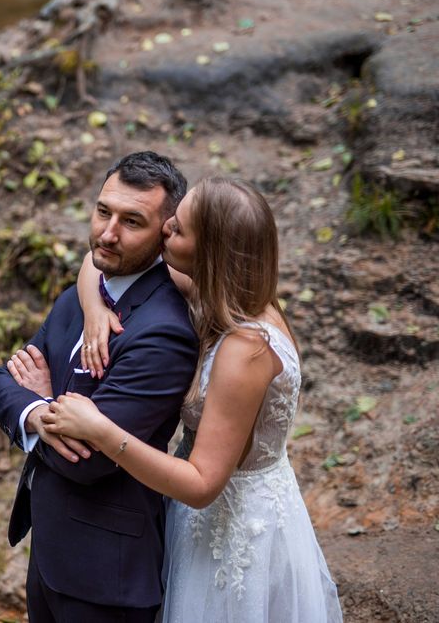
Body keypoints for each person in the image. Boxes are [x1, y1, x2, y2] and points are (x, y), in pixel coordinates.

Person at [41, 177, 343, 622]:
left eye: (177, 230)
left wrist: (103, 432)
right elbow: (95, 260)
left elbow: (202, 485)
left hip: (233, 529)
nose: (164, 230)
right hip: (200, 516)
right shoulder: (219, 290)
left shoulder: (246, 350)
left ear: (210, 253)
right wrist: (95, 311)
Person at [0, 151, 199, 623]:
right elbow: (3, 379)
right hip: (50, 550)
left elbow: (89, 460)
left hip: (107, 577)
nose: (107, 232)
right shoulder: (85, 294)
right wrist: (37, 413)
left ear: (165, 232)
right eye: (103, 211)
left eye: (131, 221)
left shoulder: (163, 332)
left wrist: (37, 399)